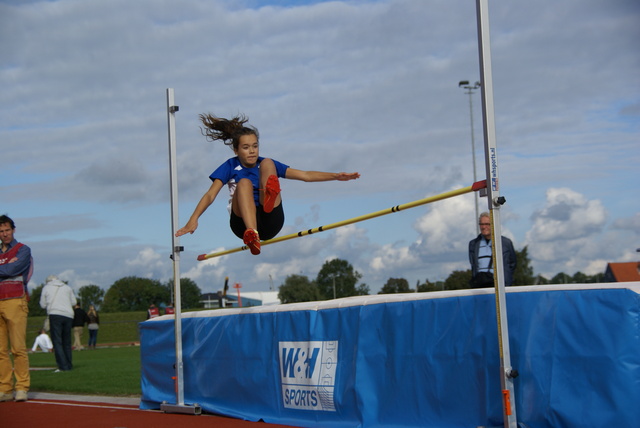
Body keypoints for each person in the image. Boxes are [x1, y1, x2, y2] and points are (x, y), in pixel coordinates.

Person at [175, 113, 360, 255]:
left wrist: (336, 176)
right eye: (246, 147)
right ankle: (252, 234)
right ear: (236, 149)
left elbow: (305, 175)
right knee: (244, 183)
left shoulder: (264, 162)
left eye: (255, 146)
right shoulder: (230, 166)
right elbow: (210, 195)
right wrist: (194, 219)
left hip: (271, 219)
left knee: (268, 163)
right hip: (242, 224)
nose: (252, 151)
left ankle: (269, 197)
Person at [0, 215, 33, 402]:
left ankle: (22, 387)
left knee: (18, 348)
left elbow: (14, 271)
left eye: (7, 230)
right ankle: (5, 388)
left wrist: (8, 268)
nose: (4, 234)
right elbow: (8, 270)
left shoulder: (23, 250)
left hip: (15, 300)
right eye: (1, 231)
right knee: (0, 350)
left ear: (13, 230)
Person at [468, 212, 517, 288]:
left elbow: (512, 263)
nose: (484, 227)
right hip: (480, 285)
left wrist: (506, 278)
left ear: (493, 224)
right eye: (481, 224)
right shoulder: (473, 244)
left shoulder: (505, 243)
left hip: (500, 285)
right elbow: (473, 263)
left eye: (487, 224)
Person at [40, 275, 76, 372]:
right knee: (67, 342)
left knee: (57, 341)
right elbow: (74, 302)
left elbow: (42, 304)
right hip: (68, 315)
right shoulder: (67, 287)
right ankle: (68, 364)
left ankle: (62, 366)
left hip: (55, 314)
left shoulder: (46, 288)